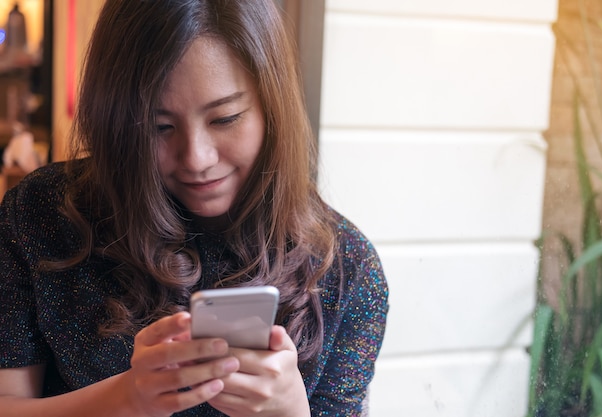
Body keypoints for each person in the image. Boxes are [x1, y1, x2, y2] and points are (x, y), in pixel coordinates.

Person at [0, 0, 389, 416]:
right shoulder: (44, 213)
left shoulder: (347, 267)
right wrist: (126, 399)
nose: (196, 158)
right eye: (159, 127)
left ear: (272, 108)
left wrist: (291, 411)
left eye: (225, 118)